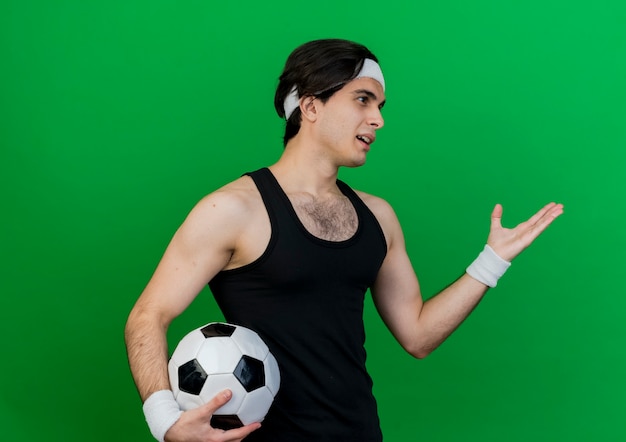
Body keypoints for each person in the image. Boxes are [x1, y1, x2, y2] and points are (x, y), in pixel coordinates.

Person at [124, 39, 564, 442]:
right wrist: (165, 423)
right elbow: (148, 315)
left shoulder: (378, 216)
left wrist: (492, 261)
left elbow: (419, 336)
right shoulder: (232, 210)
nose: (378, 119)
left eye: (380, 104)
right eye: (362, 99)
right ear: (311, 106)